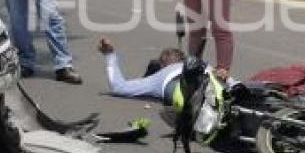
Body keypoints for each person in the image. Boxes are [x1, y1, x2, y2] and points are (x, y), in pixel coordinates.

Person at [97, 38, 236, 102]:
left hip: (182, 85)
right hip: (203, 80)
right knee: (223, 86)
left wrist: (109, 55)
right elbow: (223, 76)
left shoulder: (159, 76)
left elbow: (118, 87)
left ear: (163, 64)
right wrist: (229, 80)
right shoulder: (202, 65)